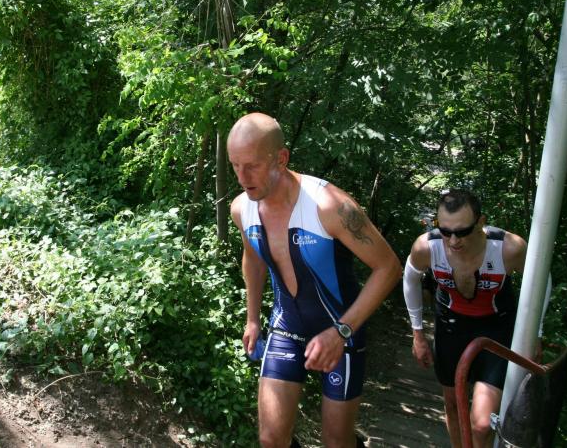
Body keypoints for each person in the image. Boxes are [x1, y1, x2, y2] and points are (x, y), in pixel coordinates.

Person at [227, 113, 402, 448]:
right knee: (271, 439)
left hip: (342, 330)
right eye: (235, 165)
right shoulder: (242, 209)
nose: (242, 177)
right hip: (286, 327)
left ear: (281, 158)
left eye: (252, 166)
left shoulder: (330, 206)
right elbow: (253, 259)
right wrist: (252, 318)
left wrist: (342, 331)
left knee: (336, 441)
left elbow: (389, 267)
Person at [403, 189, 548, 447]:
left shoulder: (508, 248)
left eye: (462, 232)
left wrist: (536, 332)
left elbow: (542, 281)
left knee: (481, 424)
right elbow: (410, 279)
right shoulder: (427, 246)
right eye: (445, 231)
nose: (453, 241)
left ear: (480, 222)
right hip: (450, 327)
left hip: (496, 329)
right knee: (453, 404)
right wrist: (417, 333)